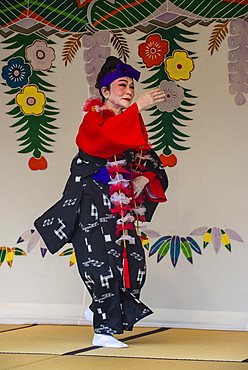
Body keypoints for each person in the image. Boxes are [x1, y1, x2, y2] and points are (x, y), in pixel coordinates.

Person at [35, 56, 168, 348]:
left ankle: (99, 309)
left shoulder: (130, 123)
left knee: (130, 261)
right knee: (101, 262)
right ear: (105, 92)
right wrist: (139, 106)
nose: (129, 91)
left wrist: (143, 178)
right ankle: (102, 329)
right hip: (91, 199)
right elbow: (103, 140)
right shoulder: (93, 120)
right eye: (122, 85)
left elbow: (148, 159)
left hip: (119, 205)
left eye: (132, 87)